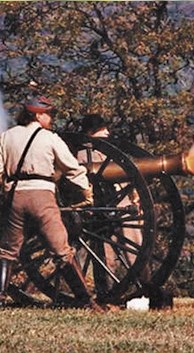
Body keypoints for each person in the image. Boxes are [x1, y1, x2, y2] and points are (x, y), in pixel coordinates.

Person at [0, 96, 94, 307]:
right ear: (37, 114)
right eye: (48, 114)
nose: (51, 118)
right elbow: (72, 167)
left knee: (7, 250)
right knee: (61, 249)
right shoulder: (49, 138)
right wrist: (86, 191)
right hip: (41, 195)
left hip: (14, 195)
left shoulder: (7, 137)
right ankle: (85, 301)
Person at [77, 114, 144, 298]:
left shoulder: (110, 152)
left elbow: (128, 177)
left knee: (135, 250)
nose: (107, 132)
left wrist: (135, 197)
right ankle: (108, 292)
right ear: (90, 133)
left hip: (121, 206)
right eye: (102, 129)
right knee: (107, 256)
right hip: (101, 209)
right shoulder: (83, 155)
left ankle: (142, 287)